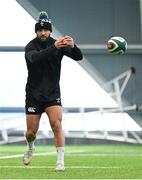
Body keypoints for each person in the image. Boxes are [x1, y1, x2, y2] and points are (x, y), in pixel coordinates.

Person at [23, 11, 83, 171]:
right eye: (40, 30)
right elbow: (35, 59)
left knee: (56, 124)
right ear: (36, 31)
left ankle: (60, 161)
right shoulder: (30, 46)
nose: (43, 33)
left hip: (52, 94)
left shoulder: (59, 44)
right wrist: (53, 47)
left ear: (50, 30)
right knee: (30, 132)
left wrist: (73, 46)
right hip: (33, 94)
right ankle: (30, 147)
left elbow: (79, 57)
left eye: (46, 30)